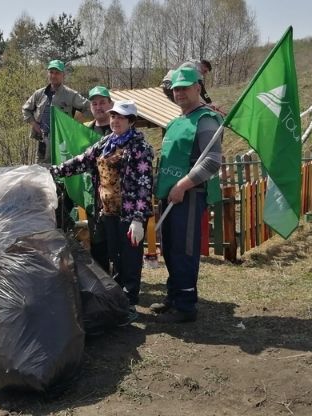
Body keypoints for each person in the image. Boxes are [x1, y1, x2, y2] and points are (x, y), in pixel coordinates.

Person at [51, 100, 154, 324]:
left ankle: (130, 304)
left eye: (121, 117)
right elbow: (83, 161)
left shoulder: (140, 148)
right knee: (114, 255)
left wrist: (138, 218)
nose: (115, 120)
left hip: (130, 214)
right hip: (108, 211)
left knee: (130, 259)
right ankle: (118, 300)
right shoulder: (106, 142)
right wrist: (57, 170)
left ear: (131, 121)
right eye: (113, 116)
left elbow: (144, 184)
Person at [152, 66, 223, 324]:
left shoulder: (205, 120)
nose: (179, 92)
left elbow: (213, 161)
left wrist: (183, 185)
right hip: (169, 196)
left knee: (184, 249)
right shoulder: (176, 122)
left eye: (184, 87)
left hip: (190, 195)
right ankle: (174, 297)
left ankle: (185, 306)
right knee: (170, 249)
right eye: (175, 89)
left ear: (198, 87)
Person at [22, 59, 90, 163]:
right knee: (41, 171)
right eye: (51, 72)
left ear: (63, 75)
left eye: (57, 73)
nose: (53, 75)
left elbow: (89, 108)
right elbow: (26, 109)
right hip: (43, 141)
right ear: (48, 74)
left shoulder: (71, 95)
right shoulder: (39, 94)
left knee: (61, 171)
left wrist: (74, 127)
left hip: (62, 142)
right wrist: (35, 125)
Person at [84, 85, 113, 272]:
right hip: (93, 196)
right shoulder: (83, 132)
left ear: (111, 104)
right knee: (98, 241)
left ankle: (123, 284)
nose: (99, 107)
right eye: (94, 103)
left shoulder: (119, 127)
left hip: (116, 197)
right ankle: (104, 280)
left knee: (117, 241)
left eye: (102, 102)